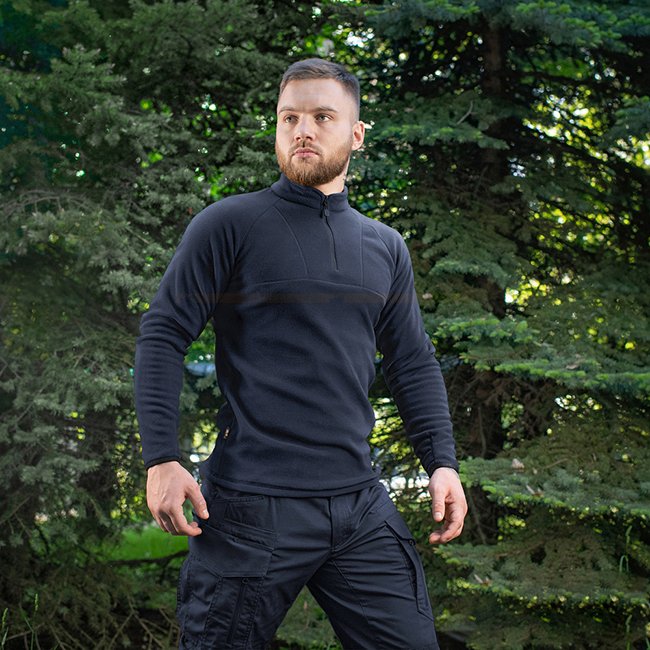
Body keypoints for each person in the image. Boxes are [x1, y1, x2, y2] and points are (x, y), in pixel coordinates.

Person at [134, 58, 467, 650]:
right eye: (289, 118)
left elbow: (412, 362)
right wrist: (162, 458)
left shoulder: (385, 247)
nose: (303, 130)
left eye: (321, 117)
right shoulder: (229, 224)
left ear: (356, 135)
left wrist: (442, 461)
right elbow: (163, 334)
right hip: (250, 509)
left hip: (358, 505)